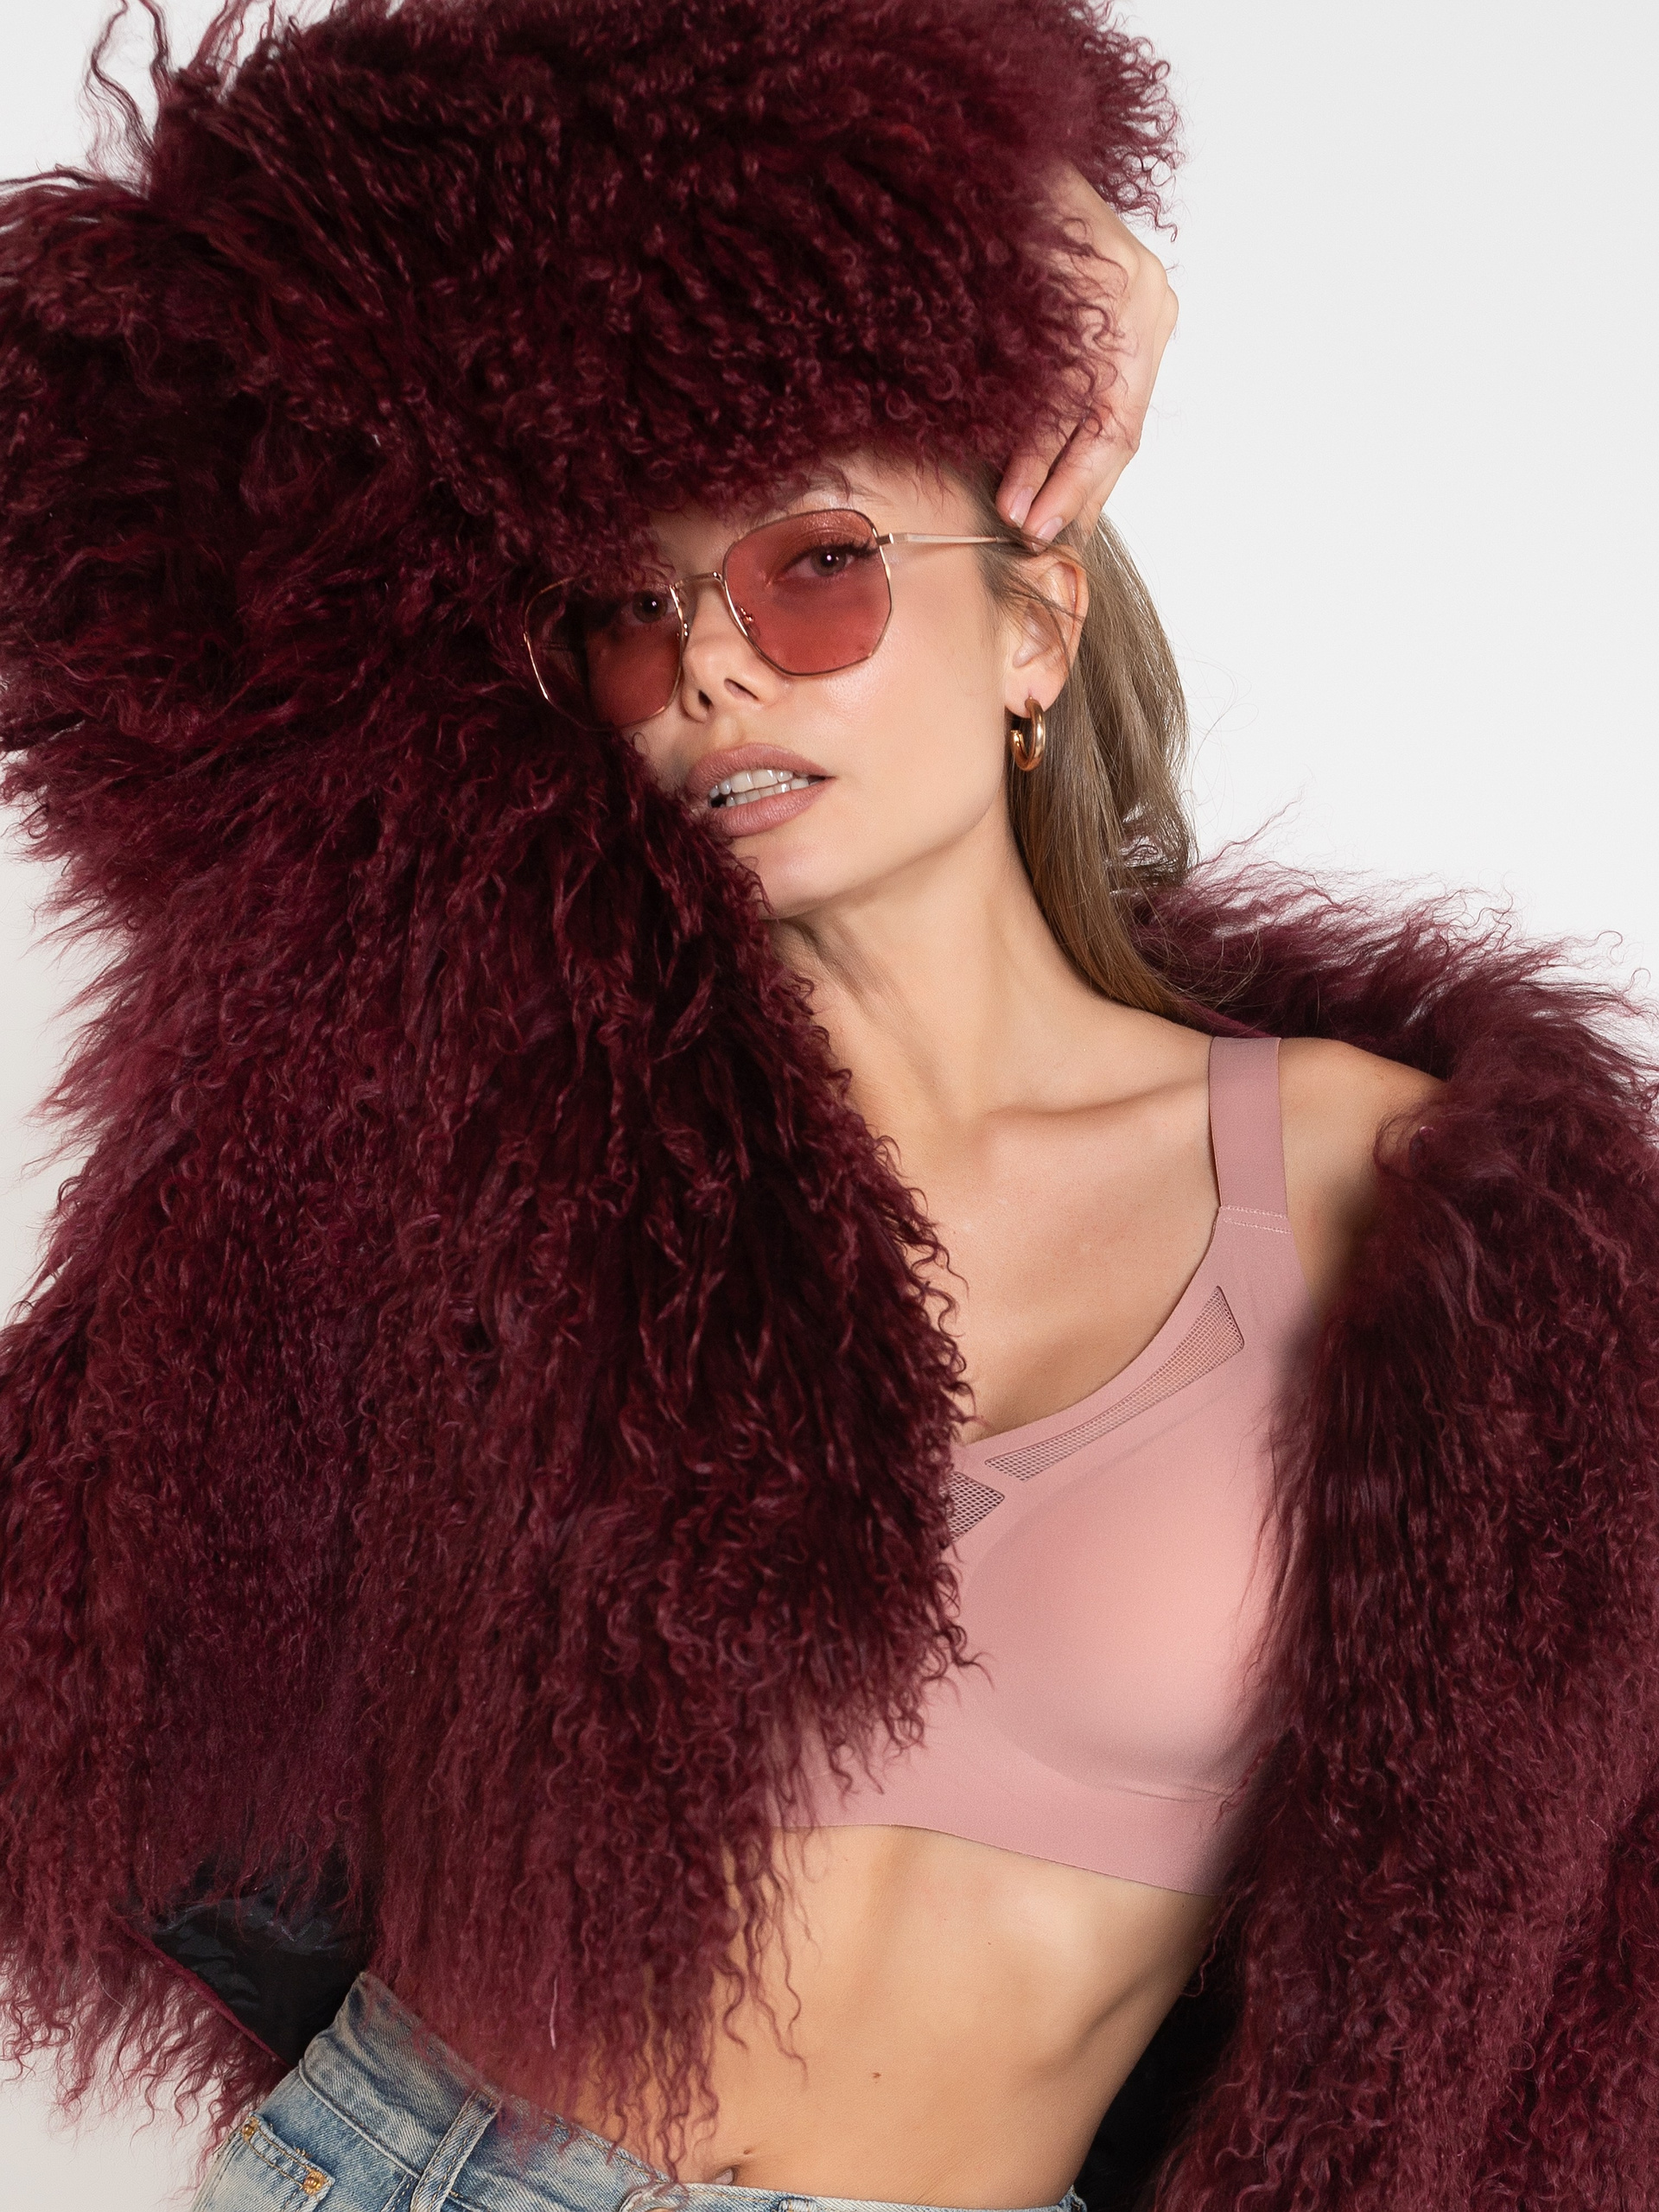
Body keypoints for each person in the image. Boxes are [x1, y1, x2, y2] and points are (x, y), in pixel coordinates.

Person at [2, 5, 1656, 2211]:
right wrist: (942, 182)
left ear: (1037, 627)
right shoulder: (532, 1134)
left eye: (817, 567)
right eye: (631, 612)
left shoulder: (1420, 1203)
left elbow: (1555, 1976)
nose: (709, 661)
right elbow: (108, 402)